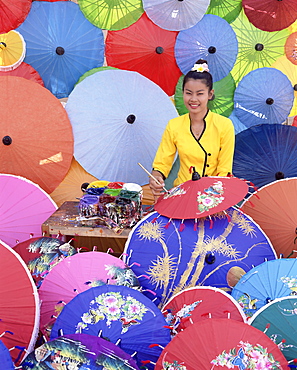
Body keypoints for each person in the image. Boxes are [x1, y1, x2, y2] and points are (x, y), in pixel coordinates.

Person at [149, 59, 235, 196]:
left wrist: (210, 195)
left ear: (210, 94)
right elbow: (162, 163)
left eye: (200, 93)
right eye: (188, 93)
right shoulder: (174, 125)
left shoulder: (224, 126)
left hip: (213, 195)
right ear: (182, 93)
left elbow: (224, 170)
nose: (193, 99)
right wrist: (156, 176)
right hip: (183, 192)